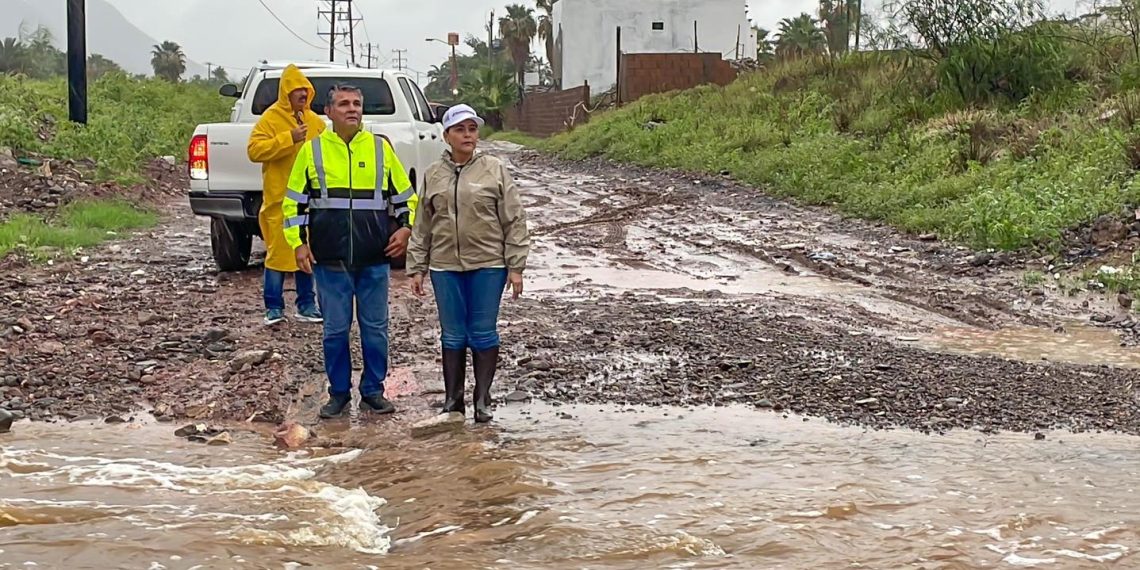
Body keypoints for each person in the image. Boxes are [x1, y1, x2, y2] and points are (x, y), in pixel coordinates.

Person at [281, 84, 419, 419]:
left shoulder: (380, 150)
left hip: (374, 259)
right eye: (343, 104)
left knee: (375, 329)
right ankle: (339, 393)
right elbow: (293, 203)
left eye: (357, 104)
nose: (352, 109)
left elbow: (406, 197)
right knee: (335, 330)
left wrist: (405, 228)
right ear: (328, 112)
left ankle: (373, 391)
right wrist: (297, 244)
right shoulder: (311, 151)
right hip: (330, 261)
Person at [406, 104, 531, 423]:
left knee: (483, 332)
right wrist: (416, 266)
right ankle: (453, 400)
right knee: (452, 335)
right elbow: (422, 224)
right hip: (445, 266)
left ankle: (483, 398)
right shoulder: (434, 173)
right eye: (460, 130)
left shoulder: (494, 169)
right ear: (446, 135)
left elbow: (514, 219)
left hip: (488, 264)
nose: (467, 135)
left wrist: (515, 266)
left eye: (472, 129)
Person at [247, 64, 327, 326]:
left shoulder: (314, 121)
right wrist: (287, 138)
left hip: (309, 201)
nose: (302, 95)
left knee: (306, 251)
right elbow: (255, 151)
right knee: (277, 255)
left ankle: (306, 304)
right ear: (286, 93)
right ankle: (273, 307)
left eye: (305, 90)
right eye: (297, 91)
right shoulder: (270, 120)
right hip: (280, 200)